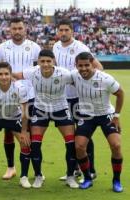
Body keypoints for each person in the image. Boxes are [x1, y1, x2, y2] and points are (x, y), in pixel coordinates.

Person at [13, 49, 78, 188]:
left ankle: (70, 176)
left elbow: (79, 81)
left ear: (54, 61)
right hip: (40, 110)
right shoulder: (32, 72)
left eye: (48, 61)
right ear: (38, 62)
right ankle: (38, 176)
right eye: (42, 61)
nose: (46, 64)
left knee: (71, 143)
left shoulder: (64, 74)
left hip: (61, 109)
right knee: (35, 144)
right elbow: (16, 75)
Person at [0, 17, 41, 179]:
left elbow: (40, 69)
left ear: (25, 29)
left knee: (30, 134)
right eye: (14, 29)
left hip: (31, 96)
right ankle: (11, 167)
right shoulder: (2, 48)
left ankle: (35, 170)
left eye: (20, 28)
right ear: (9, 30)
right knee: (8, 132)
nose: (17, 31)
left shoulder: (34, 47)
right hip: (9, 97)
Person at [53, 19, 102, 181]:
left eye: (67, 30)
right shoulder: (55, 47)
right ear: (57, 31)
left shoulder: (81, 47)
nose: (64, 33)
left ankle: (92, 170)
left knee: (84, 134)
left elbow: (98, 68)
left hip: (80, 99)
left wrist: (89, 85)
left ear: (72, 31)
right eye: (61, 30)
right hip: (62, 98)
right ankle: (75, 169)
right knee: (70, 136)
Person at [72, 52, 124, 192]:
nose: (83, 68)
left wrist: (116, 116)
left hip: (106, 114)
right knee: (79, 147)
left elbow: (120, 93)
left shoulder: (105, 78)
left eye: (86, 65)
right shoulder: (74, 76)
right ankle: (88, 178)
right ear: (76, 65)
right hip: (86, 115)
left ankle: (116, 180)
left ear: (92, 64)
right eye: (80, 65)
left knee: (116, 145)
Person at [0, 62, 31, 188]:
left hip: (14, 117)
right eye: (1, 74)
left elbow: (25, 110)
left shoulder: (19, 88)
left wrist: (24, 131)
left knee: (25, 142)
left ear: (10, 74)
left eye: (6, 74)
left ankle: (24, 177)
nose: (4, 77)